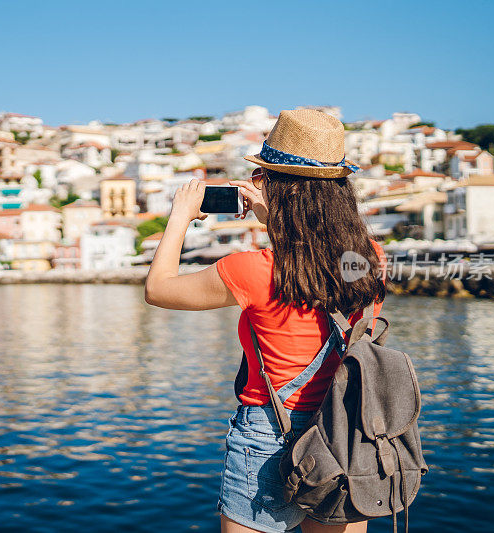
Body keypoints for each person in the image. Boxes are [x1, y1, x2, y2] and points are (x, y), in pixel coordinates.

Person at [144, 109, 386, 533]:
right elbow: (313, 261)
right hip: (344, 427)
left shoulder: (251, 271)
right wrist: (273, 215)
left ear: (282, 189)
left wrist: (180, 217)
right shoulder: (369, 258)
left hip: (268, 437)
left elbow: (159, 289)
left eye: (262, 178)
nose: (259, 186)